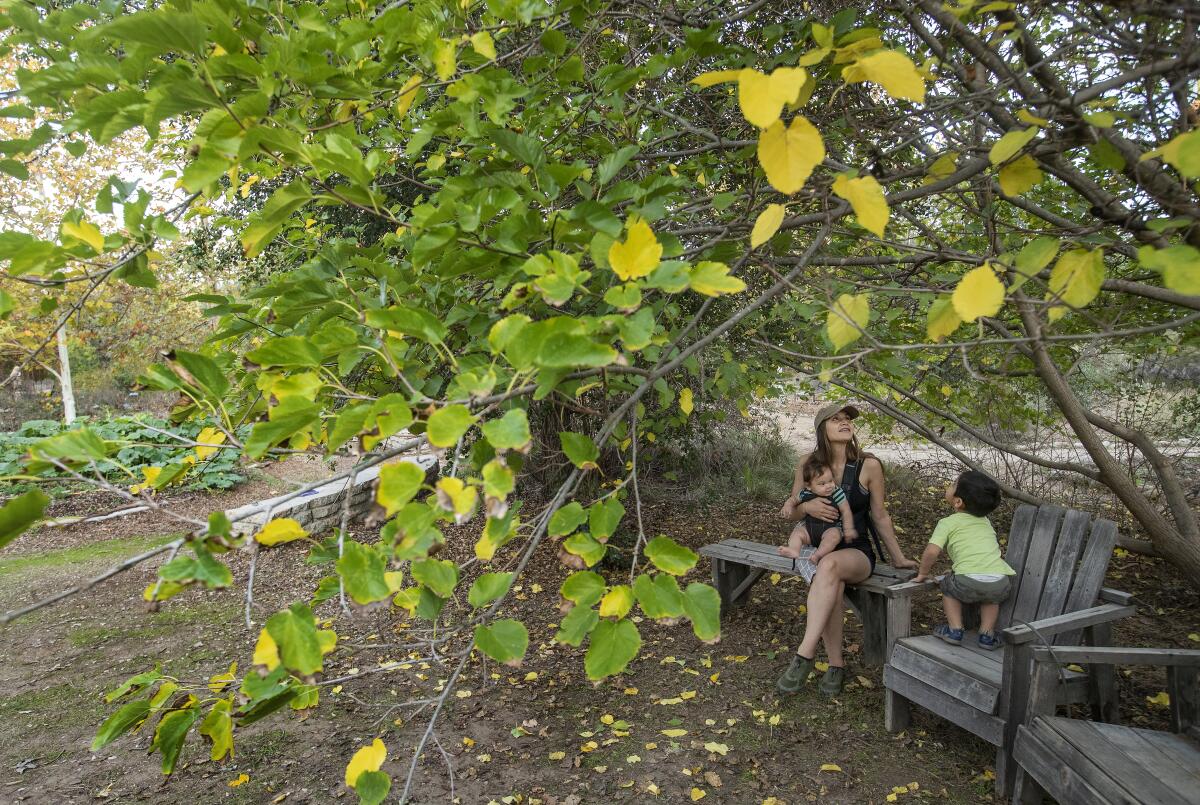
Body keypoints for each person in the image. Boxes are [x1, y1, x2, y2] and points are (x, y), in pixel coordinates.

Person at [776, 403, 918, 696]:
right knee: (830, 582)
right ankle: (836, 665)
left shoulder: (869, 465)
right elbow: (791, 513)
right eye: (836, 419)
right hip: (815, 547)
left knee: (828, 569)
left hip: (855, 551)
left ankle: (804, 655)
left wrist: (898, 557)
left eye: (847, 419)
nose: (844, 423)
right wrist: (806, 505)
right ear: (822, 429)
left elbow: (879, 515)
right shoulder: (806, 463)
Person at [913, 470, 1014, 650]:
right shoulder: (986, 522)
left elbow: (931, 552)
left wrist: (923, 573)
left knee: (948, 587)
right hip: (1000, 582)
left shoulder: (948, 523)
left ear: (958, 502)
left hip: (966, 581)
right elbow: (978, 555)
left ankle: (954, 629)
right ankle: (987, 634)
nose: (949, 485)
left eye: (953, 484)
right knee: (991, 598)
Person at [778, 454, 858, 566]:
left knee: (835, 535)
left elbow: (846, 510)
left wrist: (848, 528)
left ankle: (817, 555)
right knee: (798, 533)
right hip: (810, 530)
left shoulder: (837, 493)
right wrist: (787, 505)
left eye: (830, 481)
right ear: (809, 486)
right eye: (822, 484)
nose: (829, 486)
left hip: (830, 528)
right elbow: (793, 500)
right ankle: (794, 550)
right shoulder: (804, 493)